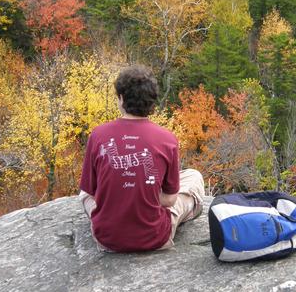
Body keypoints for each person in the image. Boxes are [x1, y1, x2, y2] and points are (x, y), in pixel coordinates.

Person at [78, 65, 204, 252]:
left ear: (121, 98)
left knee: (83, 194)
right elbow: (169, 200)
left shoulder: (98, 135)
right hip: (153, 238)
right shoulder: (167, 139)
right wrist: (145, 192)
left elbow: (91, 190)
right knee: (193, 177)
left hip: (107, 239)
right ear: (152, 103)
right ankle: (190, 209)